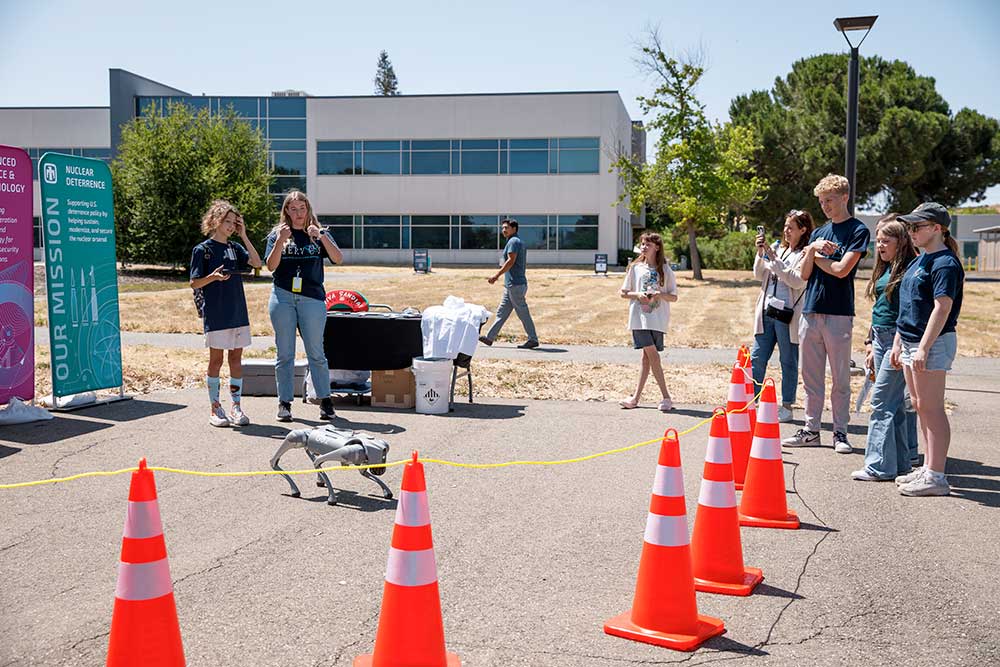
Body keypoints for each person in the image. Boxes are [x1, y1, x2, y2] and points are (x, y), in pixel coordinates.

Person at [782, 174, 870, 453]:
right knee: (811, 377)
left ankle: (840, 432)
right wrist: (812, 248)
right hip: (811, 311)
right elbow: (804, 274)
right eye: (821, 202)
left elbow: (841, 269)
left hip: (839, 313)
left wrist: (814, 252)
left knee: (840, 378)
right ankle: (811, 429)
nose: (825, 206)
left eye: (829, 200)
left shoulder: (858, 230)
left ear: (845, 197)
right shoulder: (819, 233)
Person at [891, 203, 964, 497]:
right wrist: (899, 343)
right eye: (910, 227)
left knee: (932, 408)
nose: (912, 232)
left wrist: (922, 348)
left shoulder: (944, 263)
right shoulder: (919, 260)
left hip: (930, 343)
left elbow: (942, 307)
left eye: (917, 227)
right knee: (920, 406)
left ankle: (936, 475)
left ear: (937, 228)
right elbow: (907, 306)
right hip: (910, 342)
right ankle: (928, 467)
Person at [265, 190, 343, 422]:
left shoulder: (319, 234)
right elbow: (270, 266)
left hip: (312, 297)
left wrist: (321, 237)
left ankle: (325, 402)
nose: (298, 214)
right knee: (285, 353)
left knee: (316, 352)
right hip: (283, 297)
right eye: (293, 209)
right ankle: (284, 403)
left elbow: (338, 258)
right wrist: (280, 240)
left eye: (302, 209)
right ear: (286, 211)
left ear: (308, 209)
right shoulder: (277, 234)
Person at [852, 215, 919, 481]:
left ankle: (878, 466)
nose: (879, 246)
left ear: (900, 242)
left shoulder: (909, 269)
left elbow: (908, 311)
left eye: (885, 241)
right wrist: (870, 342)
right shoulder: (886, 267)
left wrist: (898, 344)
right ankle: (901, 464)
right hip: (880, 338)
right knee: (894, 404)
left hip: (896, 340)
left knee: (881, 401)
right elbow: (879, 308)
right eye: (878, 240)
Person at [189, 200, 262, 427]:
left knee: (236, 359)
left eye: (234, 222)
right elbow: (194, 283)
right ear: (214, 221)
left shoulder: (235, 248)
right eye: (227, 221)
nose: (231, 226)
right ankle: (215, 408)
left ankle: (236, 407)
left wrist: (245, 237)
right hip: (217, 314)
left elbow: (258, 263)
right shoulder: (203, 250)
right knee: (216, 360)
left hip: (238, 313)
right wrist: (213, 277)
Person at [751, 210, 813, 423]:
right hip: (767, 311)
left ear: (803, 230)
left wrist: (774, 259)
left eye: (791, 228)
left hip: (788, 316)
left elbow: (796, 281)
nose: (786, 231)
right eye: (785, 226)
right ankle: (753, 401)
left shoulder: (805, 254)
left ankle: (787, 405)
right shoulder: (778, 248)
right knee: (757, 358)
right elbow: (759, 275)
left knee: (788, 360)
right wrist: (761, 254)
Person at [617, 231, 679, 412]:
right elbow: (623, 292)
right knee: (653, 355)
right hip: (639, 319)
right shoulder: (635, 268)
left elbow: (674, 297)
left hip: (658, 320)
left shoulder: (666, 270)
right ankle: (666, 397)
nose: (644, 247)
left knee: (647, 359)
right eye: (642, 244)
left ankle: (635, 398)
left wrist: (660, 294)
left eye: (648, 244)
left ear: (657, 248)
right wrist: (638, 295)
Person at [479, 218, 539, 349]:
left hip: (515, 285)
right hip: (511, 285)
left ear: (514, 229)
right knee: (502, 312)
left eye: (506, 228)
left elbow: (511, 261)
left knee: (523, 313)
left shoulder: (514, 241)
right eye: (503, 228)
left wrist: (496, 276)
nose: (503, 230)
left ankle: (533, 339)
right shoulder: (514, 241)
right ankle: (490, 338)